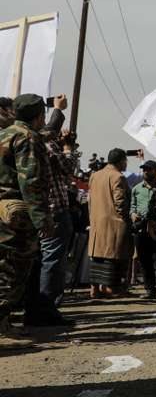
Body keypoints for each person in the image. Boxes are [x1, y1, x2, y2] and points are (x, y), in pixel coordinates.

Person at [0, 94, 51, 349]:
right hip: (16, 214)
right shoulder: (28, 137)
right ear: (39, 115)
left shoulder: (4, 133)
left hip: (2, 211)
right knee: (14, 269)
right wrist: (42, 219)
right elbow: (31, 181)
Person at [24, 95, 77, 325]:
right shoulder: (40, 140)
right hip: (54, 209)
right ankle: (46, 309)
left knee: (40, 261)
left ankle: (36, 309)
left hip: (36, 210)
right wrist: (67, 147)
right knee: (53, 261)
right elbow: (67, 167)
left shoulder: (24, 140)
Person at [87, 148, 133, 299]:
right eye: (125, 160)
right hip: (114, 224)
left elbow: (89, 200)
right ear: (121, 161)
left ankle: (95, 289)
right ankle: (110, 288)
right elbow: (120, 202)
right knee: (113, 257)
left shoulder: (95, 175)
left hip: (96, 222)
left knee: (97, 256)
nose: (126, 163)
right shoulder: (117, 177)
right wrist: (126, 218)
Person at [130, 160, 156, 300]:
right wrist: (133, 214)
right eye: (144, 169)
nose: (146, 171)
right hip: (141, 229)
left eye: (149, 169)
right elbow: (132, 206)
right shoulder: (136, 189)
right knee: (144, 260)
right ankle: (149, 289)